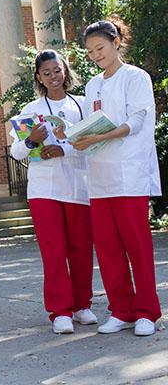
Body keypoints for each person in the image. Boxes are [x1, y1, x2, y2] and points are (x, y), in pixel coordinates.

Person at [72, 19, 162, 336]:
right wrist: (77, 136)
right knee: (108, 249)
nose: (96, 55)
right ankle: (121, 310)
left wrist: (99, 137)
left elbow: (137, 121)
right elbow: (89, 122)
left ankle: (147, 312)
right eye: (90, 51)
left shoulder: (135, 77)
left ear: (116, 42)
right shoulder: (92, 84)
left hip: (129, 173)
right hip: (99, 176)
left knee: (137, 246)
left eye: (100, 48)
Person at [10, 49, 96, 334]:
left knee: (81, 249)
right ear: (39, 77)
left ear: (65, 70)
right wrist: (34, 142)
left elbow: (94, 144)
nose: (53, 77)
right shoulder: (30, 110)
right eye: (46, 73)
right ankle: (60, 311)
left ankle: (82, 305)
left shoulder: (82, 105)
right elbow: (17, 150)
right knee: (54, 251)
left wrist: (65, 148)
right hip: (44, 190)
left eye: (57, 70)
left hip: (78, 188)